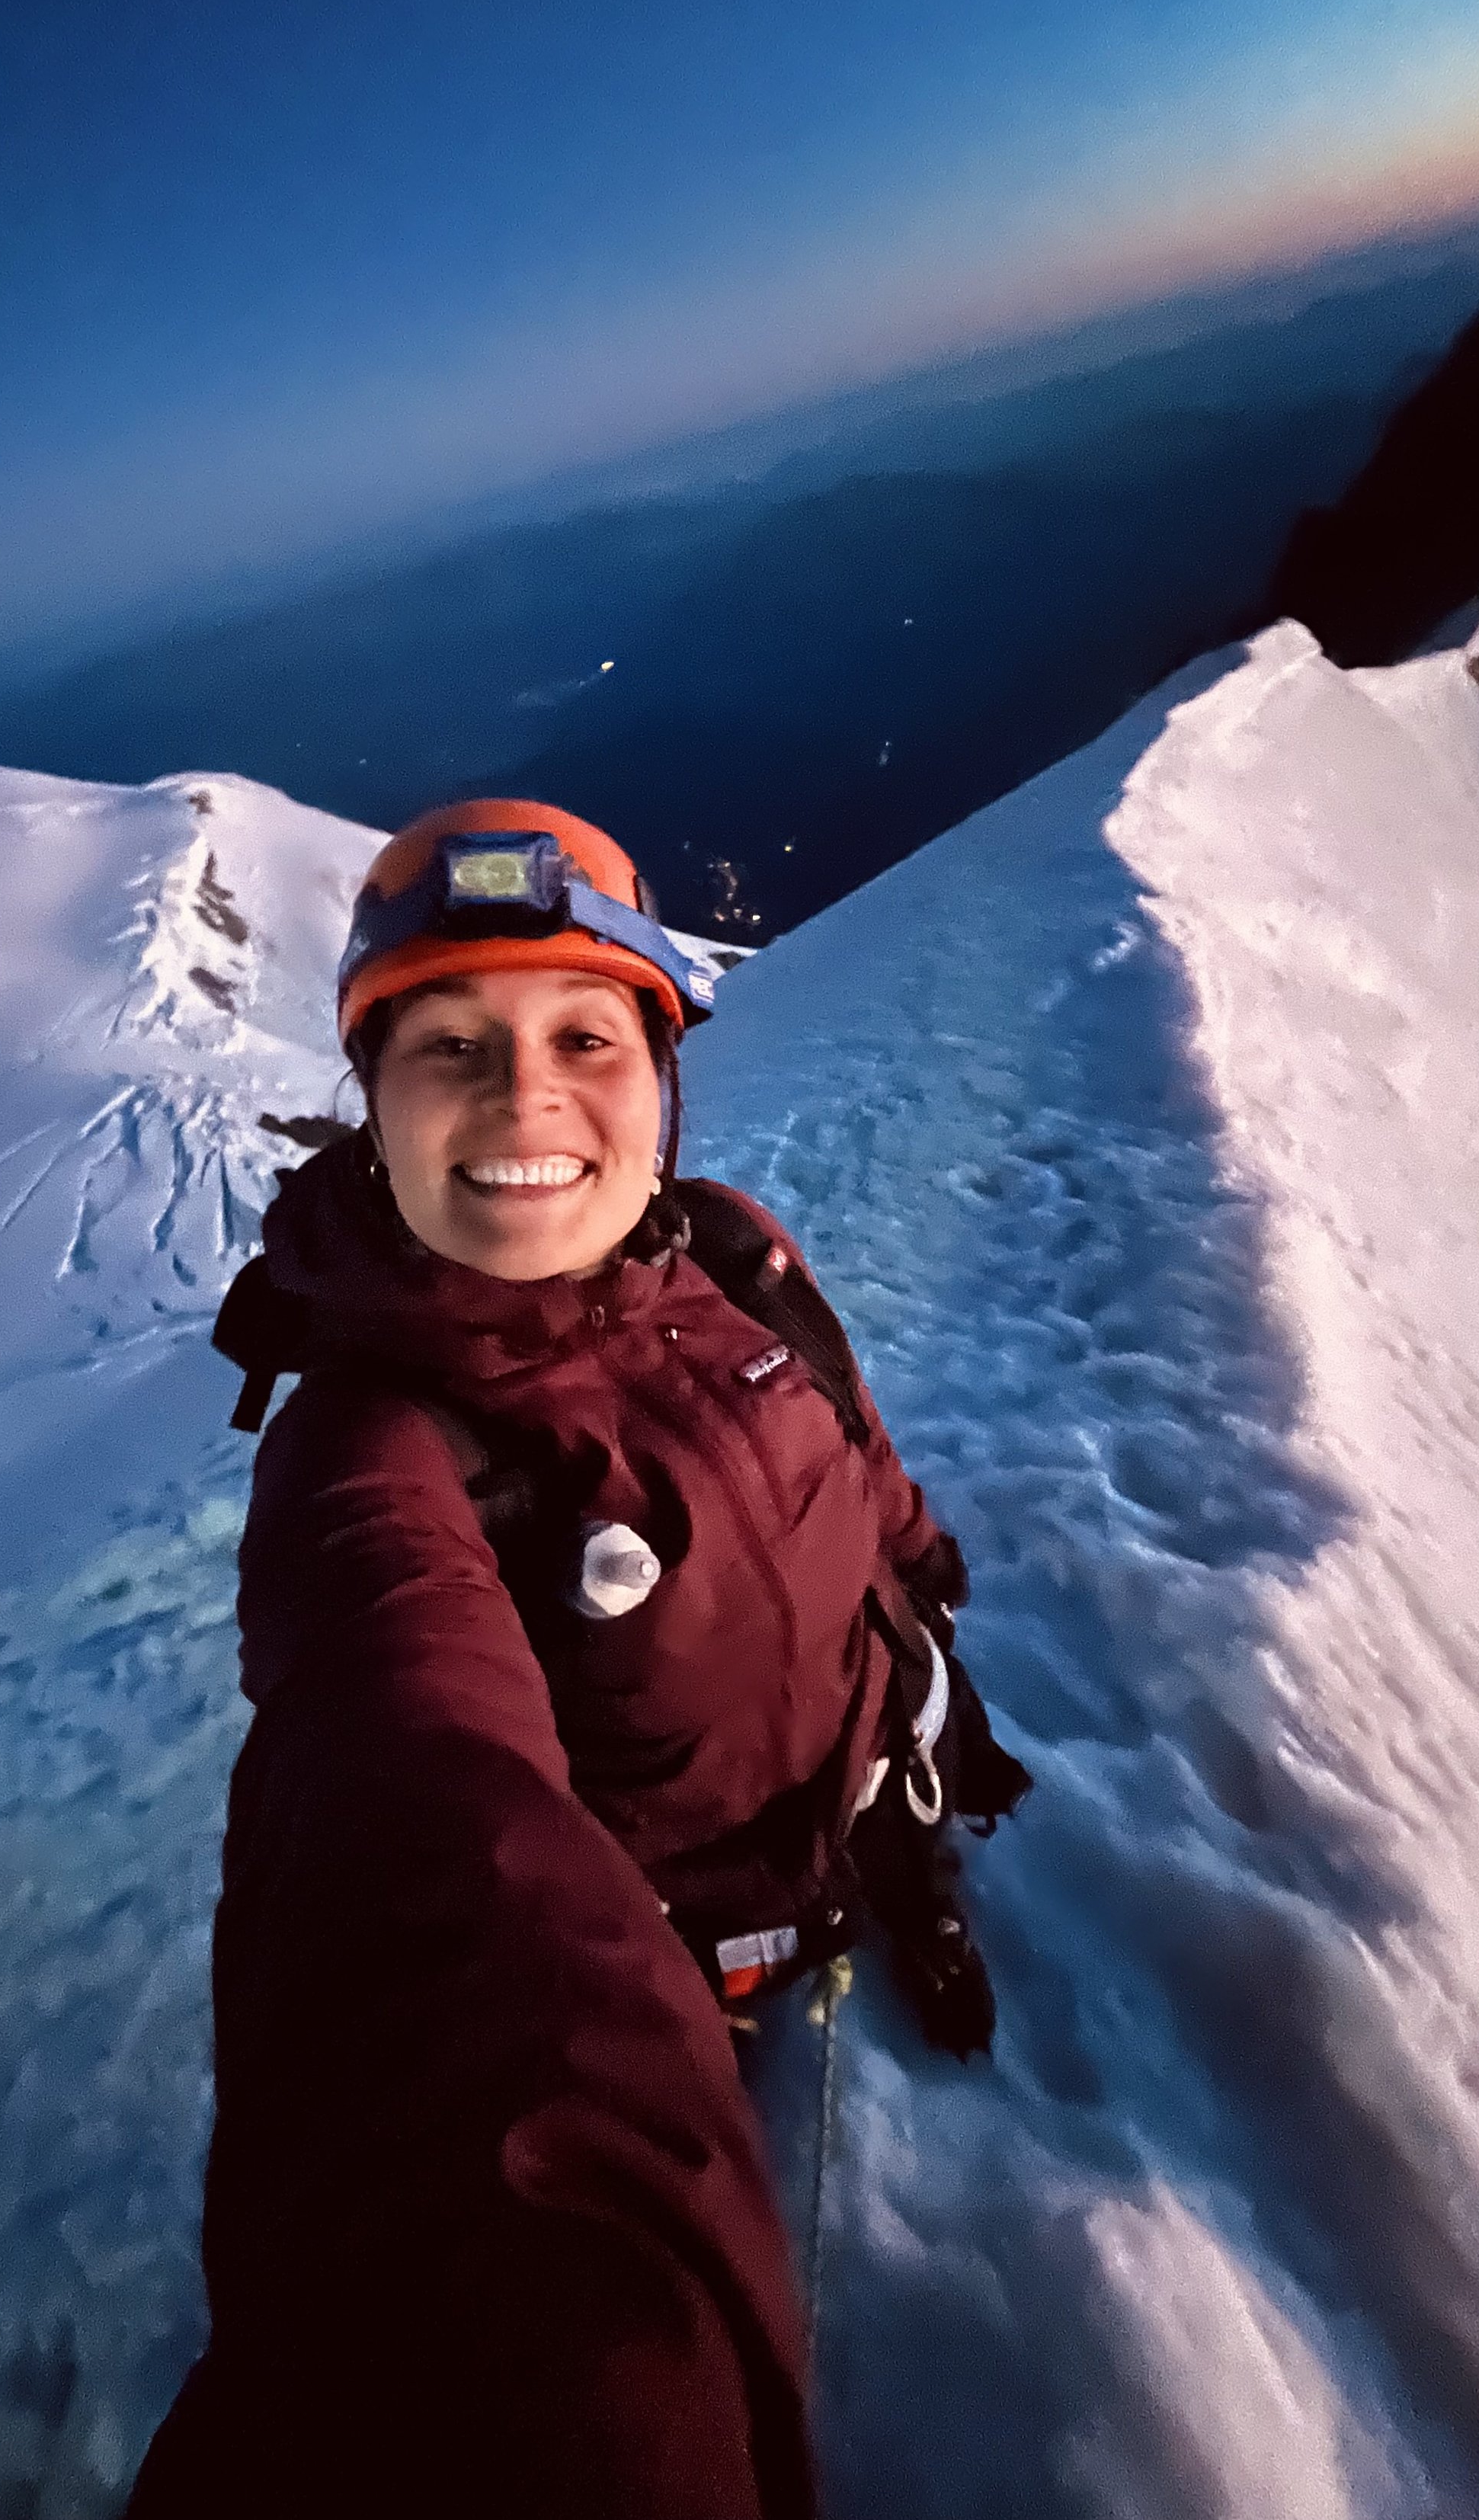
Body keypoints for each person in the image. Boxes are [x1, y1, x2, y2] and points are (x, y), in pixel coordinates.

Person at [126, 800, 1023, 2519]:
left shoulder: (735, 1253)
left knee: (899, 1842)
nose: (525, 1093)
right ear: (367, 1111)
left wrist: (916, 1563)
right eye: (448, 1043)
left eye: (582, 1036)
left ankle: (911, 1897)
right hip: (670, 1938)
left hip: (865, 1743)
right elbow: (413, 1817)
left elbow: (848, 1433)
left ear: (659, 1079)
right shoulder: (375, 1454)